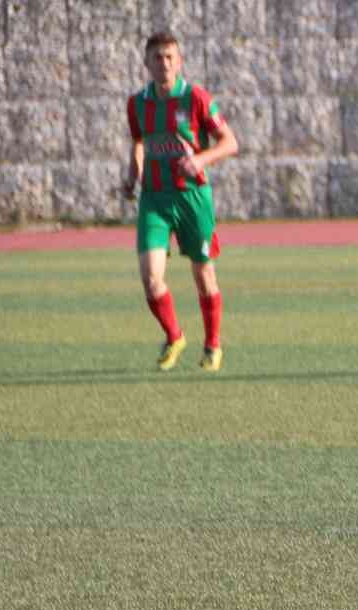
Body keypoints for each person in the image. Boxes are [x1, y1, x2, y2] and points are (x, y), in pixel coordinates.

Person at [121, 30, 238, 372]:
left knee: (203, 275)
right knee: (151, 278)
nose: (164, 63)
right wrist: (132, 176)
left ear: (180, 61)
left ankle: (213, 345)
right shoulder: (138, 104)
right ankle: (174, 335)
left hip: (192, 199)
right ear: (146, 63)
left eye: (170, 57)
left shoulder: (197, 99)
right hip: (154, 199)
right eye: (157, 57)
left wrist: (201, 160)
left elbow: (230, 142)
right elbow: (139, 142)